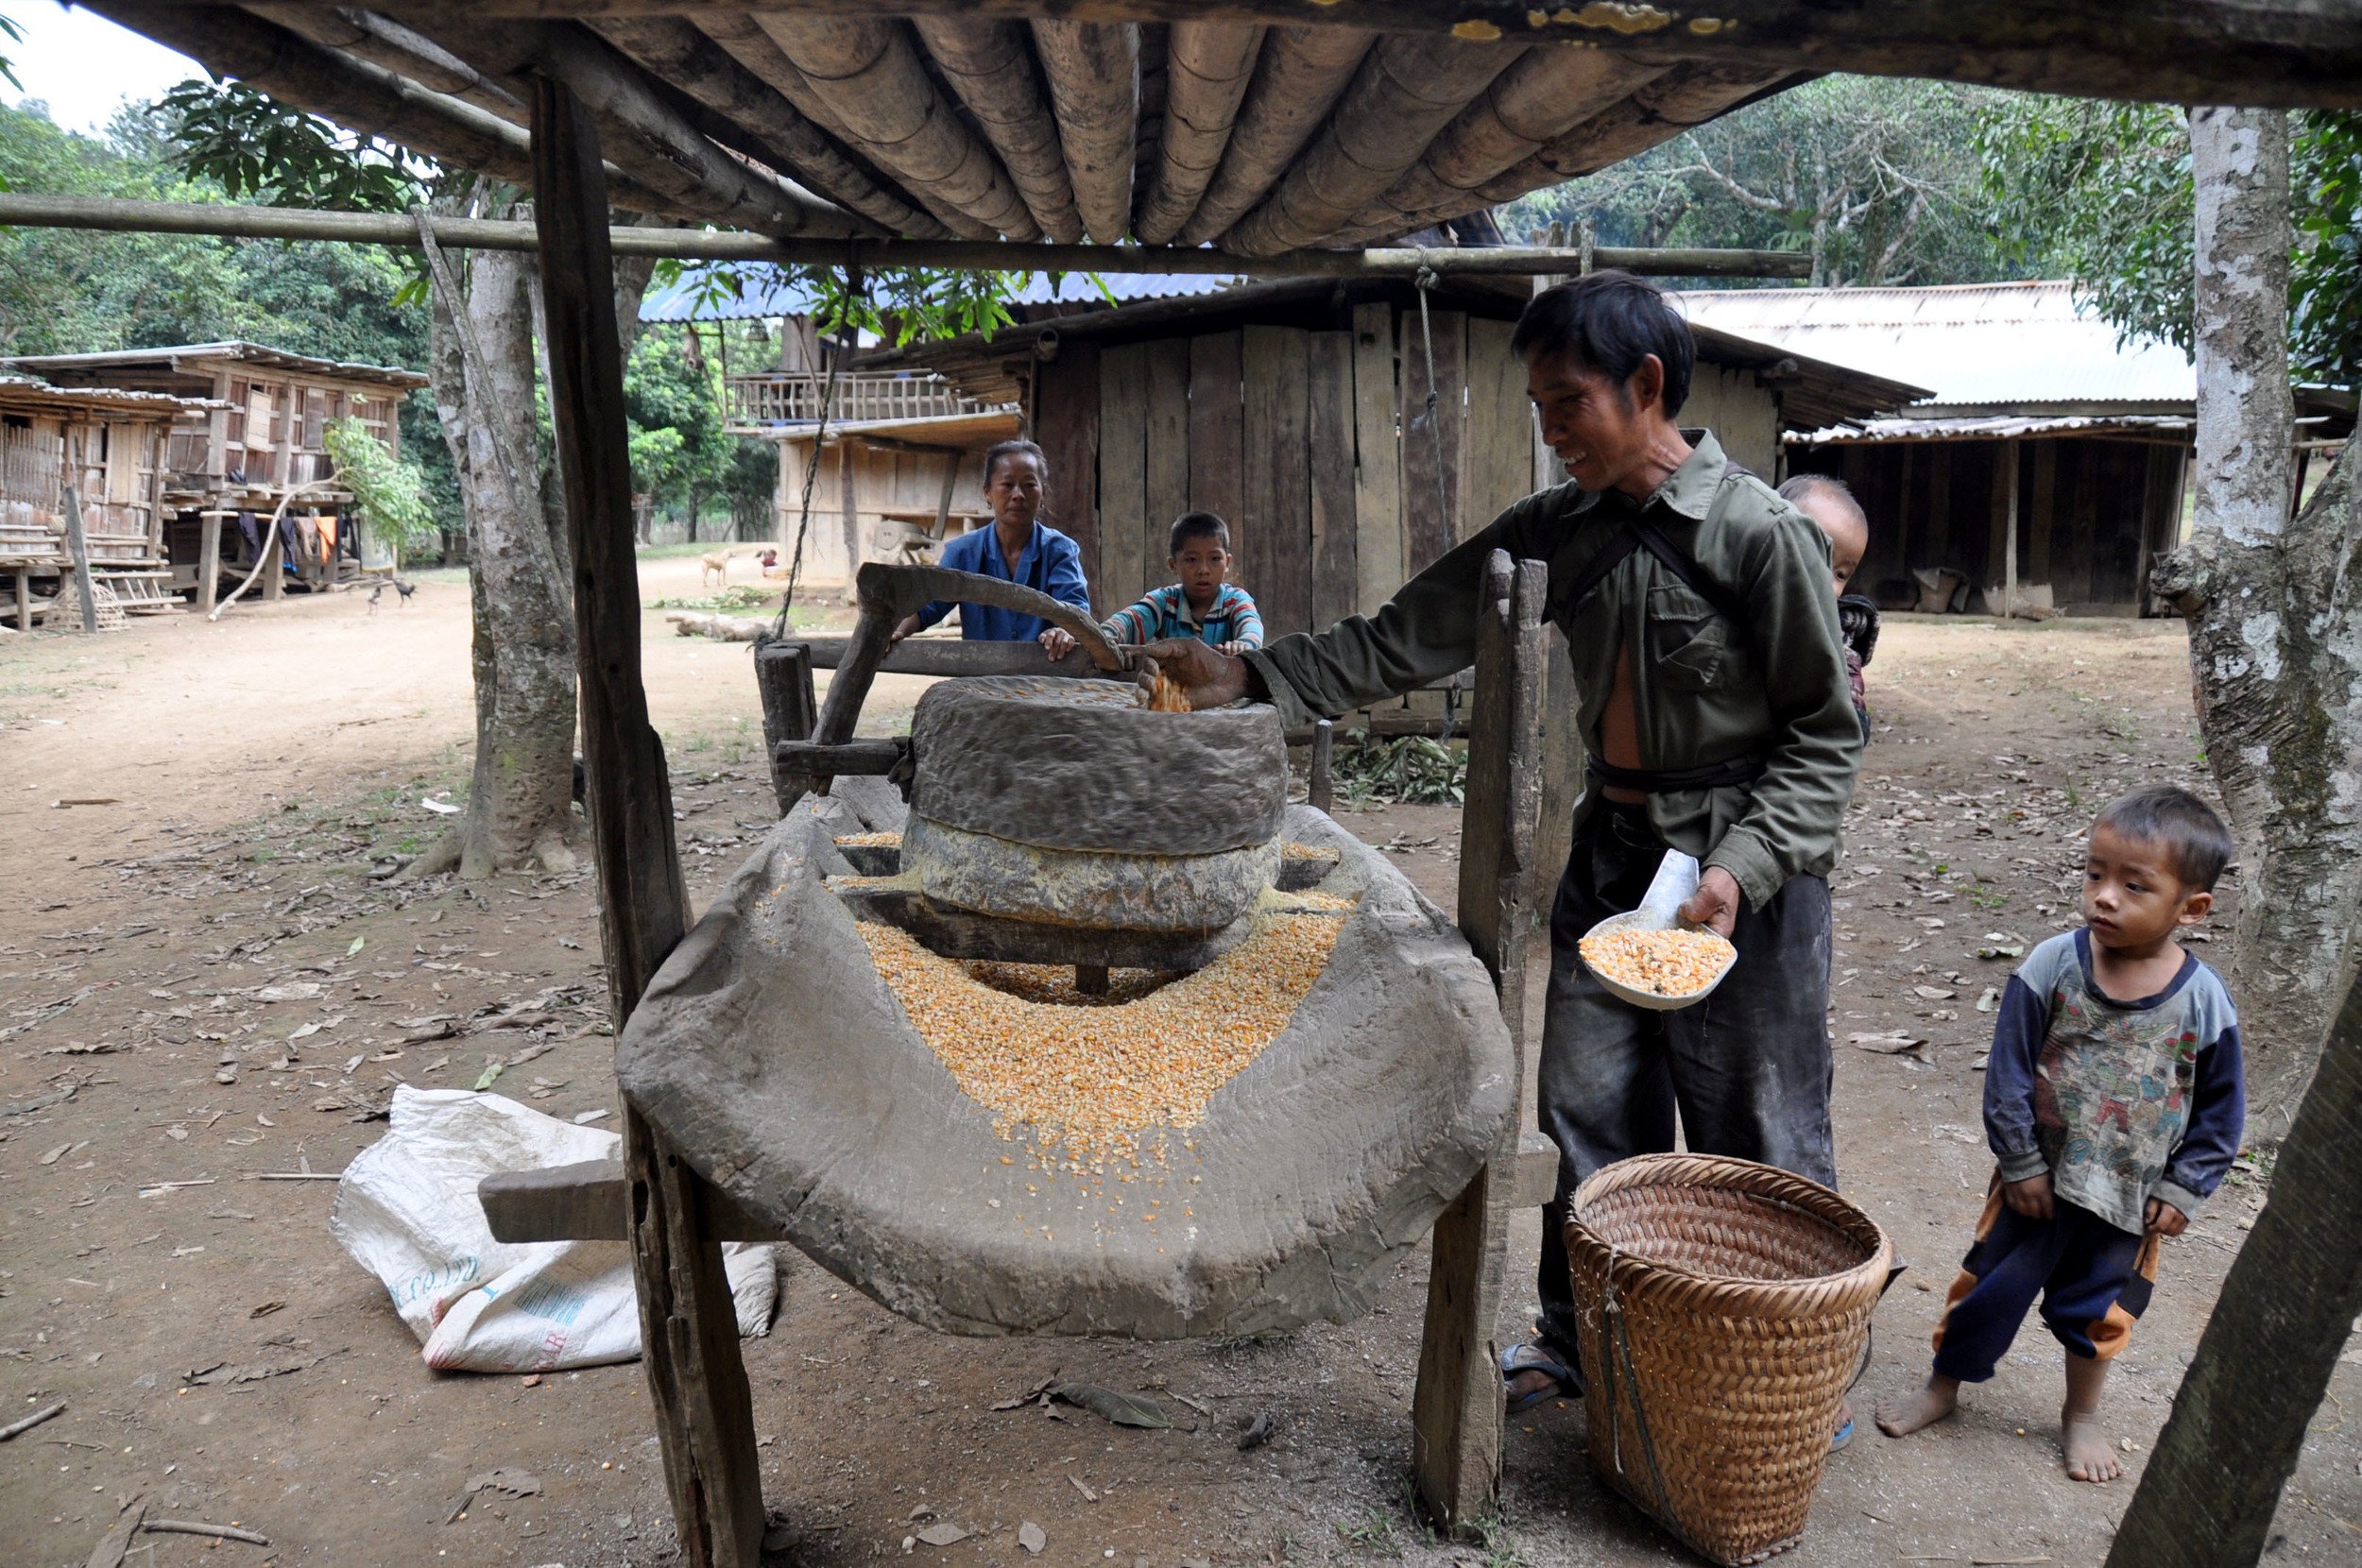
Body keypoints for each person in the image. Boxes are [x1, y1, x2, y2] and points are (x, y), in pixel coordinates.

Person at [1136, 271, 1864, 1421]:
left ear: (1646, 385)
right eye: (1537, 406)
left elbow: (1827, 737)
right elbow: (1401, 638)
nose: (1550, 428)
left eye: (1568, 402)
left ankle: (1779, 1370)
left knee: (1756, 1127)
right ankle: (1582, 1342)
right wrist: (1249, 676)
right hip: (1616, 862)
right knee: (1587, 1111)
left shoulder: (1758, 537)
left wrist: (1743, 866)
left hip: (1743, 880)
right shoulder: (1555, 533)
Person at [1876, 785, 2244, 1483]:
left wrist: (2186, 1186)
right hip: (2035, 1187)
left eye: (2135, 886)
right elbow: (2010, 1070)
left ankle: (2081, 1415)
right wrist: (2019, 1162)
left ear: (2191, 908)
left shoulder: (2204, 1001)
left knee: (2099, 1314)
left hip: (2129, 1203)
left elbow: (2221, 1110)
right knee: (1983, 1290)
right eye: (2095, 873)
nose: (2104, 896)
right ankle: (1942, 1387)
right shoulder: (2054, 965)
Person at [892, 439, 1091, 651]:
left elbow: (1076, 612)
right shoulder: (963, 552)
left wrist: (1064, 632)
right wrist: (896, 631)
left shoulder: (1059, 550)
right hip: (981, 678)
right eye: (1007, 485)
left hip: (1044, 677)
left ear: (1042, 494)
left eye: (1029, 485)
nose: (1018, 495)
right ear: (987, 493)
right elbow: (928, 606)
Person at [1047, 511, 1263, 658]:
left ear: (1228, 563)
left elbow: (1252, 629)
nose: (1203, 570)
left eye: (1215, 559)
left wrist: (1243, 645)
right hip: (1174, 700)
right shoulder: (1165, 602)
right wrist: (1099, 638)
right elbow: (1126, 622)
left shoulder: (1236, 601)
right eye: (1191, 560)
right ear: (1173, 565)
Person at [1778, 473, 1878, 738]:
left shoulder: (1840, 632)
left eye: (1841, 574)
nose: (1830, 584)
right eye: (1817, 558)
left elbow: (1851, 726)